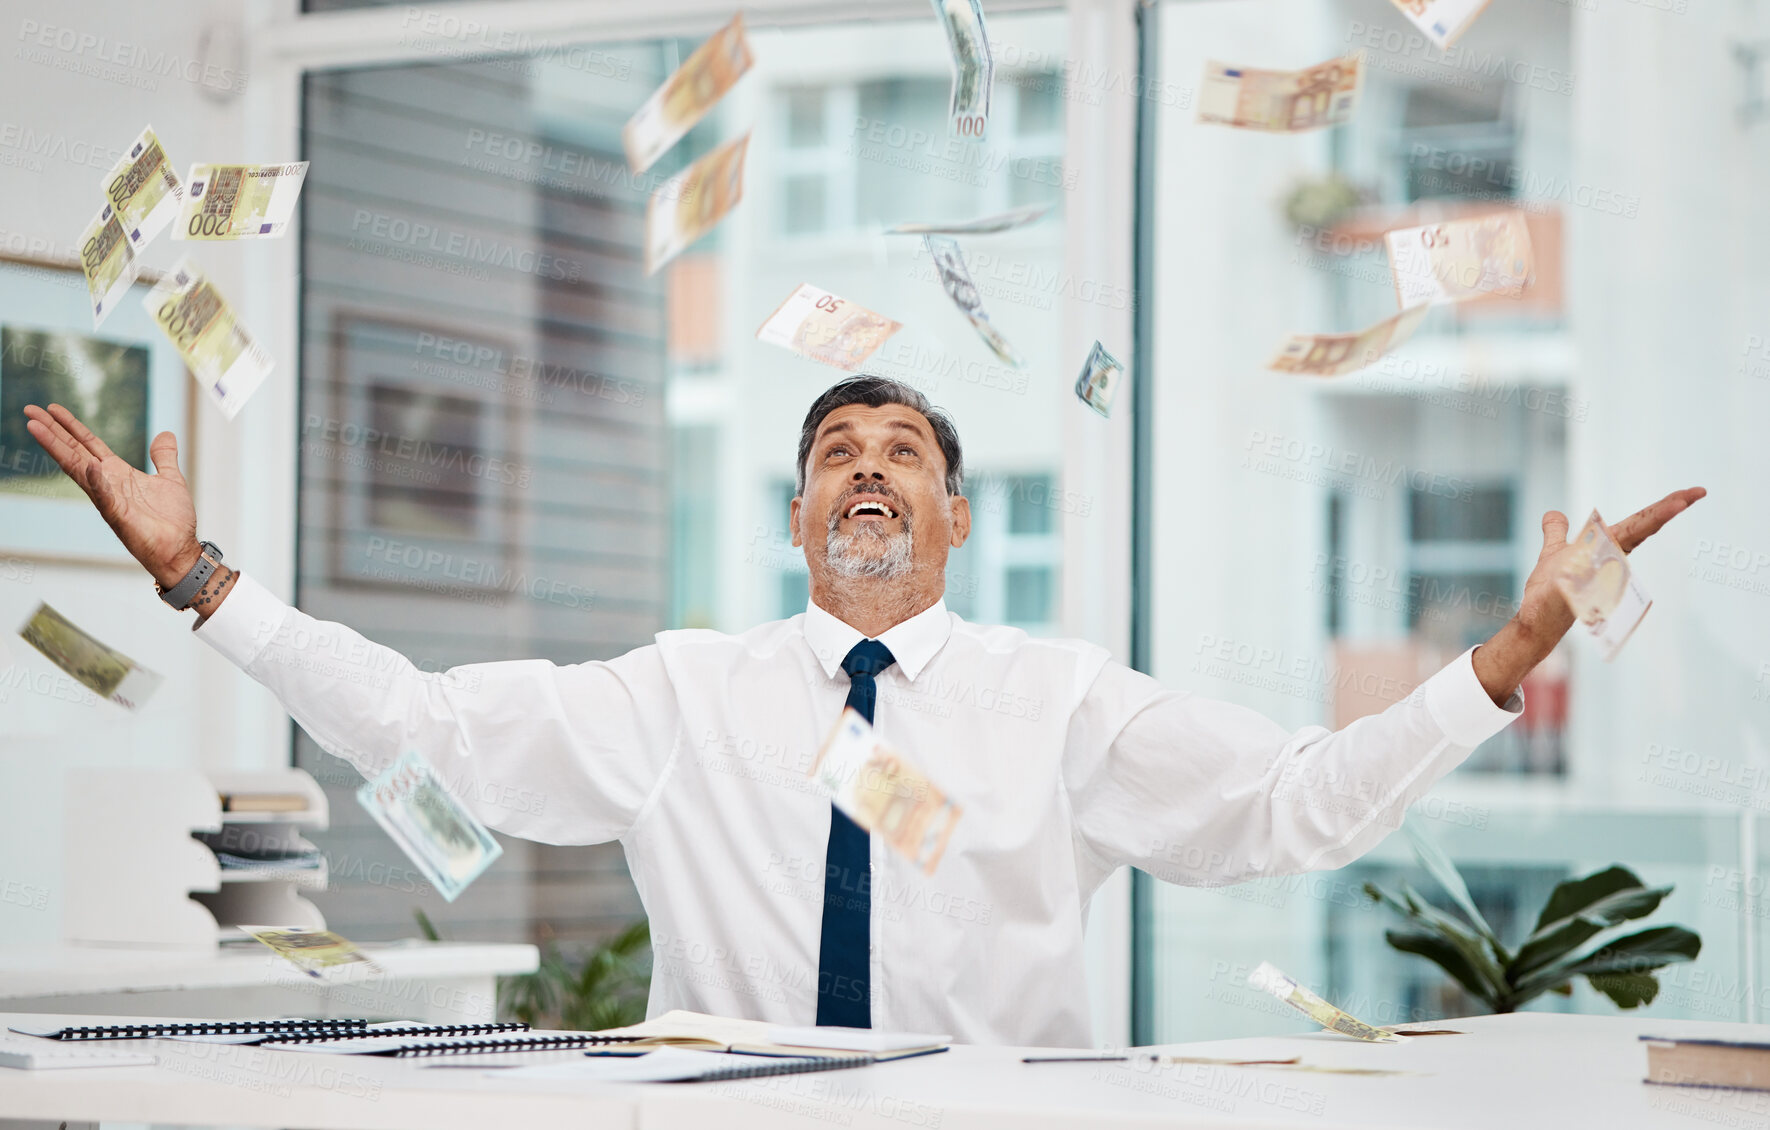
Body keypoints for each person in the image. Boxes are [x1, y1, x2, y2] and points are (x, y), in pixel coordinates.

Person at [21, 377, 1704, 1046]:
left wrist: (1509, 649)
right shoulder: (682, 689)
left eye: (904, 451)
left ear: (956, 516)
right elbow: (426, 730)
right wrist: (204, 582)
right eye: (837, 451)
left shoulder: (1057, 704)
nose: (870, 469)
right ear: (803, 519)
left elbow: (1299, 803)